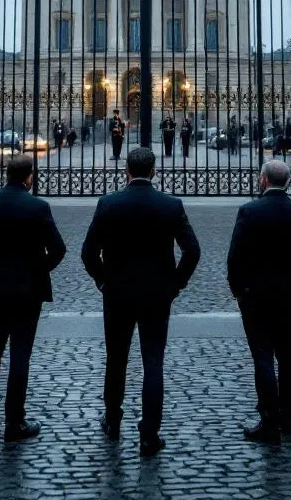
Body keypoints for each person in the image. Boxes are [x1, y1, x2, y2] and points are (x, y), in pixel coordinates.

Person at [81, 147, 201, 457]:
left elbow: (88, 252)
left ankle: (112, 420)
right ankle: (149, 434)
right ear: (154, 172)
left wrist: (103, 280)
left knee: (116, 358)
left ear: (126, 172)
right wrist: (175, 284)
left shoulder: (108, 204)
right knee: (153, 362)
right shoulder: (170, 205)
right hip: (157, 295)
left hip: (117, 294)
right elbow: (192, 251)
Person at [0, 153, 67, 441]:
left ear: (6, 174)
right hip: (27, 291)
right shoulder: (37, 207)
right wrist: (37, 271)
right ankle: (15, 421)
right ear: (29, 177)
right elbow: (58, 249)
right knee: (20, 354)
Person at [226, 160, 291, 443]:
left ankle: (269, 419)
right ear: (289, 182)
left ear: (264, 180)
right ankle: (288, 416)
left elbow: (235, 257)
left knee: (263, 356)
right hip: (288, 297)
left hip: (255, 296)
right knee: (288, 356)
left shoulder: (249, 212)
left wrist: (238, 290)